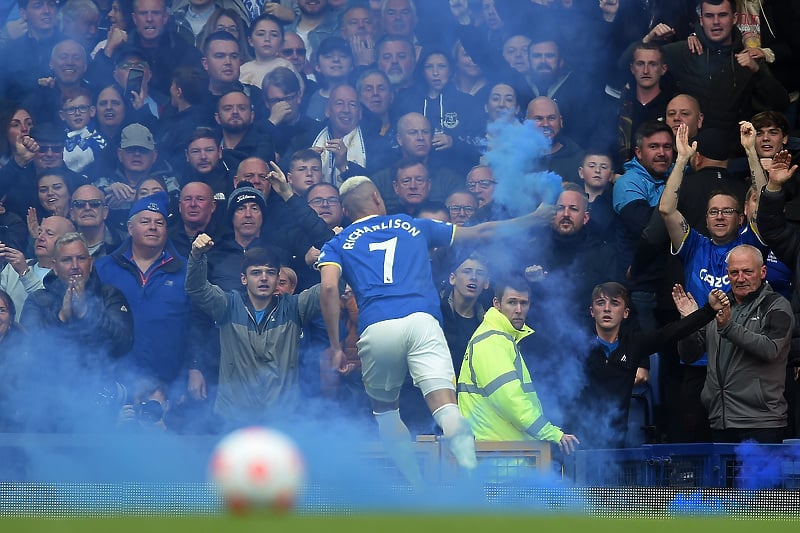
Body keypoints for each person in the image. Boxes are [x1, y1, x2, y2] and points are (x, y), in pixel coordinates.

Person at [317, 175, 553, 485]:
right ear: (376, 196)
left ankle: (417, 489)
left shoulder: (337, 242)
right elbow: (482, 231)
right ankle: (471, 484)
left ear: (346, 211)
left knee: (386, 413)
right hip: (422, 322)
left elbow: (329, 290)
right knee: (446, 409)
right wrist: (533, 218)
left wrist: (336, 347)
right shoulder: (414, 225)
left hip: (377, 328)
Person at [572, 282, 729, 449]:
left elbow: (672, 332)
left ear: (625, 313)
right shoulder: (577, 345)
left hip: (615, 440)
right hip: (576, 437)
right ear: (592, 311)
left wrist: (709, 309)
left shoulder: (634, 344)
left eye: (615, 303)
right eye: (601, 303)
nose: (607, 309)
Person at [187, 235, 322, 423]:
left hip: (282, 416)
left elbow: (331, 288)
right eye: (256, 273)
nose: (264, 278)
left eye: (271, 272)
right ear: (244, 278)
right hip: (233, 416)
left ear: (277, 278)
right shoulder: (228, 305)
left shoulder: (294, 307)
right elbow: (197, 289)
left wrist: (339, 251)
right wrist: (197, 256)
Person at [676, 245, 794, 443]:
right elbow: (689, 355)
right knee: (723, 476)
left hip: (761, 423)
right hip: (719, 420)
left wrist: (728, 327)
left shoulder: (777, 305)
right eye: (734, 272)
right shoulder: (716, 306)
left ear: (762, 272)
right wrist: (688, 322)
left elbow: (770, 349)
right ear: (727, 274)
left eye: (747, 271)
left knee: (756, 476)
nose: (740, 278)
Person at [20, 232, 134, 431]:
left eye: (81, 258)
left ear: (90, 263)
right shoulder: (38, 300)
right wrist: (62, 317)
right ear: (54, 266)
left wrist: (86, 313)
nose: (75, 266)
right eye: (67, 260)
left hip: (101, 401)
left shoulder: (109, 295)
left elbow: (124, 342)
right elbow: (31, 348)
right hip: (49, 404)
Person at [457, 276, 580, 454]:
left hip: (502, 454)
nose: (519, 310)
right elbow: (510, 400)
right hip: (499, 457)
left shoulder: (499, 338)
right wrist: (551, 433)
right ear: (496, 303)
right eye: (512, 302)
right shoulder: (492, 340)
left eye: (524, 303)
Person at [95, 192, 195, 389]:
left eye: (159, 223)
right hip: (114, 380)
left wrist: (194, 367)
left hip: (170, 383)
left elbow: (197, 324)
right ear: (130, 228)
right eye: (145, 221)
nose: (153, 227)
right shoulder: (103, 268)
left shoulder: (187, 270)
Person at [440, 250, 488, 376]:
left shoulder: (488, 323)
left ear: (486, 283)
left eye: (480, 273)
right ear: (452, 278)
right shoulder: (436, 313)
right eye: (467, 271)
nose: (473, 277)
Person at [69, 185, 123, 258]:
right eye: (80, 204)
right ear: (72, 213)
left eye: (95, 203)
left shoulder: (125, 243)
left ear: (105, 212)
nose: (87, 208)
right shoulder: (61, 245)